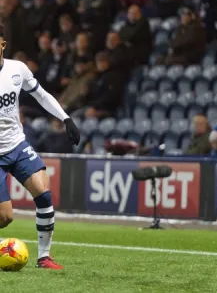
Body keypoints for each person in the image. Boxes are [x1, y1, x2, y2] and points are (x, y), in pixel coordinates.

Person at [0, 23, 80, 269]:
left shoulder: (17, 69)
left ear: (2, 44)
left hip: (17, 145)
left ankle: (44, 257)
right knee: (5, 218)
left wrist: (65, 118)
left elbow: (42, 95)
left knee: (43, 194)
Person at [83, 52, 126, 119]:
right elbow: (92, 96)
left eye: (103, 61)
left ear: (108, 62)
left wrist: (95, 107)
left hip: (108, 109)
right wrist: (86, 93)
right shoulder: (96, 78)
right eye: (99, 62)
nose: (101, 64)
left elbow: (110, 96)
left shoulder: (114, 76)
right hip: (92, 107)